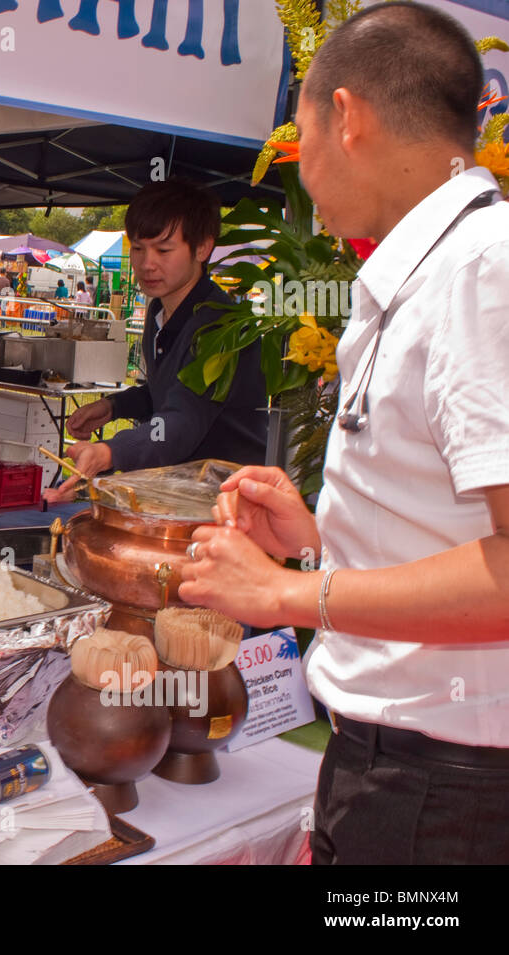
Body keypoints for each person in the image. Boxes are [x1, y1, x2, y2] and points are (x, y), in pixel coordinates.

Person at [178, 2, 509, 865]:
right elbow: (449, 527)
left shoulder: (481, 271)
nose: (302, 162)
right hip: (399, 767)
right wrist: (320, 541)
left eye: (300, 130)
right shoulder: (431, 271)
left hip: (444, 785)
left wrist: (287, 596)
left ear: (347, 115)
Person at [43, 178, 267, 500]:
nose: (147, 264)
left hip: (227, 500)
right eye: (138, 248)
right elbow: (169, 389)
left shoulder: (221, 326)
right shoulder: (160, 309)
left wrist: (110, 451)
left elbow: (182, 421)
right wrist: (115, 406)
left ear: (202, 248)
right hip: (179, 491)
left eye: (163, 250)